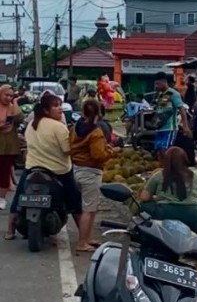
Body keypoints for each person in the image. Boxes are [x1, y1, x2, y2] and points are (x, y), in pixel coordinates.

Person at [6, 92, 82, 240]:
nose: (60, 109)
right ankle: (84, 236)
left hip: (32, 168)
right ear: (46, 110)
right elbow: (67, 150)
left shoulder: (32, 125)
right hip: (59, 170)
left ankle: (10, 231)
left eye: (60, 106)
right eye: (55, 106)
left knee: (19, 198)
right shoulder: (59, 127)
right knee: (74, 201)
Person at [70, 99, 119, 252]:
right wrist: (112, 151)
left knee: (87, 208)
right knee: (89, 209)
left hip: (76, 169)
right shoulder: (95, 132)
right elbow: (98, 155)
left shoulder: (75, 127)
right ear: (99, 113)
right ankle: (82, 242)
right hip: (90, 172)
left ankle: (87, 238)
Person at [140, 147, 197, 233]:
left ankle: (147, 231)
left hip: (165, 214)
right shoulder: (195, 176)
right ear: (185, 160)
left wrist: (155, 199)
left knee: (142, 205)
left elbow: (144, 198)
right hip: (193, 216)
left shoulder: (159, 175)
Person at [153, 71, 191, 154]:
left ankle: (170, 166)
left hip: (170, 128)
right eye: (155, 84)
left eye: (158, 84)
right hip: (160, 128)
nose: (156, 86)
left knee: (167, 151)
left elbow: (181, 109)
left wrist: (185, 126)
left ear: (164, 81)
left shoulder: (173, 94)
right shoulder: (160, 95)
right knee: (159, 151)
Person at [0, 85, 23, 210]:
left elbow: (20, 118)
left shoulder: (12, 108)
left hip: (8, 145)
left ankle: (2, 198)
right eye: (6, 95)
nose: (8, 98)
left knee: (5, 171)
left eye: (11, 95)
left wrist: (15, 103)